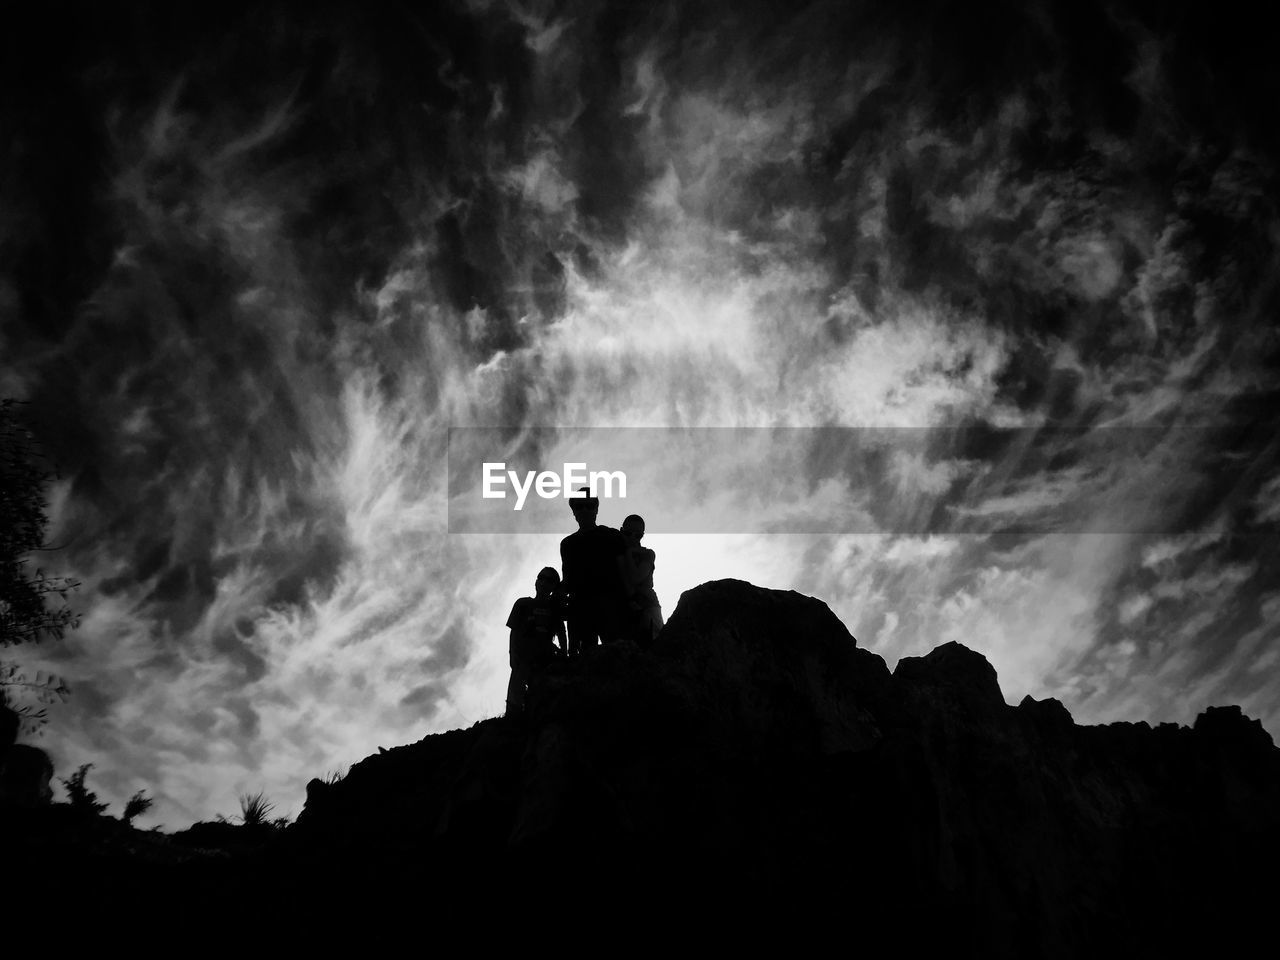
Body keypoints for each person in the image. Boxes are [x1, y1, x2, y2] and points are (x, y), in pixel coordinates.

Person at [559, 488, 625, 657]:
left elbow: (626, 569)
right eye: (580, 507)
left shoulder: (611, 536)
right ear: (573, 511)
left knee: (617, 655)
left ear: (596, 509)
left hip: (610, 605)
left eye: (589, 506)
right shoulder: (568, 544)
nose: (585, 510)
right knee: (584, 661)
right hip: (580, 609)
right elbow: (567, 578)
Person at [505, 567, 566, 716]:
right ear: (536, 581)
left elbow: (561, 633)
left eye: (550, 580)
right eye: (541, 578)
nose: (544, 582)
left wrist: (564, 654)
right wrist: (512, 655)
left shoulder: (555, 609)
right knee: (515, 695)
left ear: (554, 587)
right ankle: (512, 723)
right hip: (524, 657)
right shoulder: (522, 604)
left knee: (539, 697)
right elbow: (514, 631)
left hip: (545, 659)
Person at [619, 514, 663, 646]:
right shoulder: (617, 554)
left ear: (642, 535)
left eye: (637, 535)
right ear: (621, 531)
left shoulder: (648, 554)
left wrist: (628, 553)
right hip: (626, 610)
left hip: (648, 607)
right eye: (628, 533)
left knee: (654, 649)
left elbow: (636, 577)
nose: (632, 537)